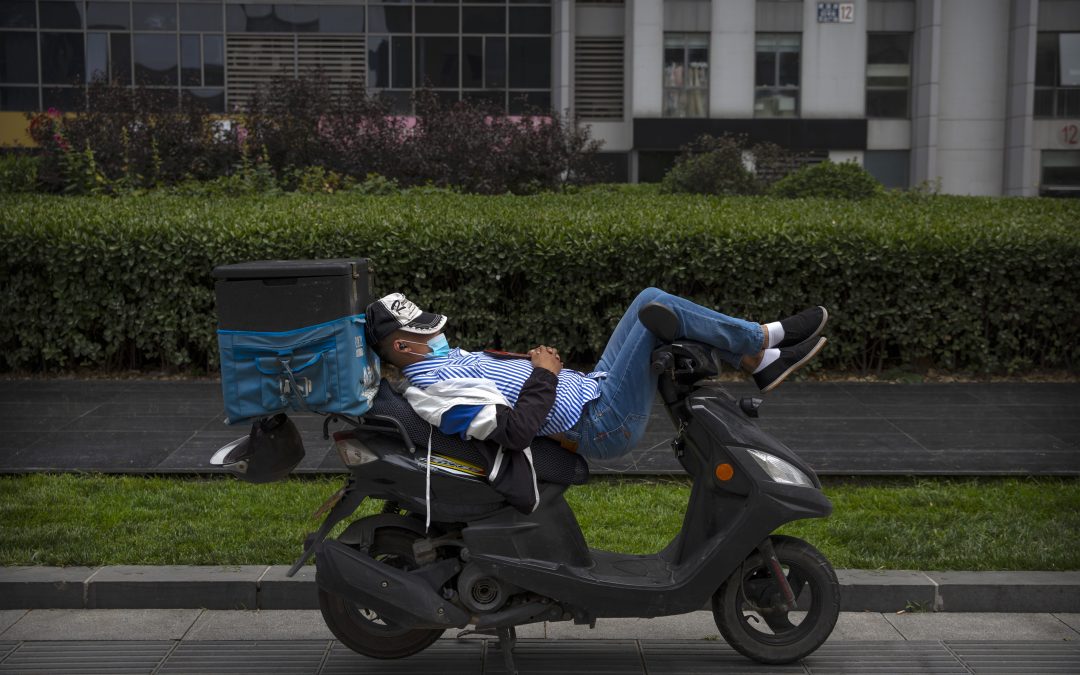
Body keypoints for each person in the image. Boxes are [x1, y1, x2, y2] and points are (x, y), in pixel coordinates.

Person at [364, 289, 827, 462]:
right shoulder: (435, 389)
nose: (440, 333)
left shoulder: (438, 361)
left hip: (593, 387)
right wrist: (543, 372)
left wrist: (525, 363)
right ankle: (763, 344)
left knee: (649, 298)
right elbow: (515, 432)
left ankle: (759, 358)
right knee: (654, 315)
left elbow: (501, 384)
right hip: (600, 423)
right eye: (427, 331)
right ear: (404, 347)